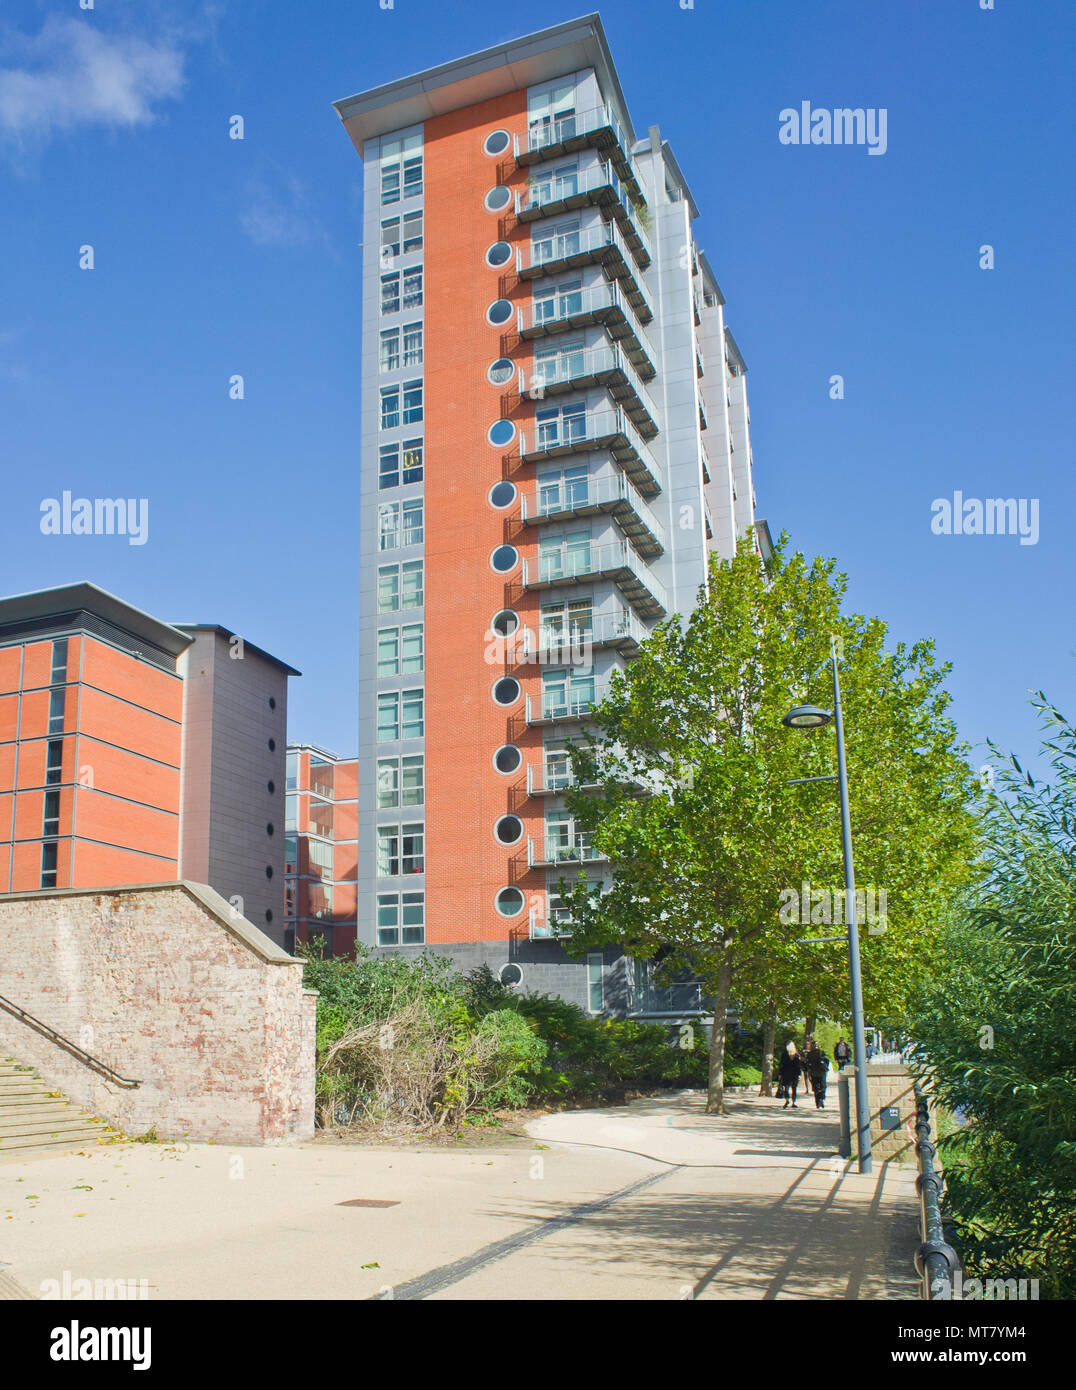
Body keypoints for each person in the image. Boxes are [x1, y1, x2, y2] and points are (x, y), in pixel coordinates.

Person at [805, 1040, 830, 1109]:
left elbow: (807, 1064)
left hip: (814, 1072)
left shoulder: (810, 1054)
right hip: (821, 1072)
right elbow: (827, 1061)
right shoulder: (821, 1052)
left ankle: (818, 1101)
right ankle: (821, 1099)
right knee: (822, 1086)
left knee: (816, 1087)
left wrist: (809, 1070)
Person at [778, 1041, 801, 1108]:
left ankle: (787, 1100)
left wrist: (780, 1073)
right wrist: (799, 1074)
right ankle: (793, 1102)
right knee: (794, 1088)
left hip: (786, 1073)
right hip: (794, 1074)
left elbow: (782, 1064)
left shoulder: (784, 1054)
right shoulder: (796, 1055)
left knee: (786, 1088)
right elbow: (798, 1066)